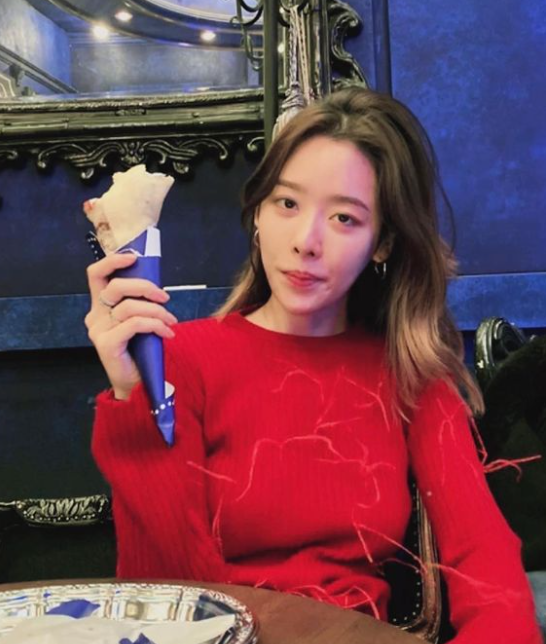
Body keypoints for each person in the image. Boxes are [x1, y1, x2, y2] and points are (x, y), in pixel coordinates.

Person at [85, 87, 541, 643]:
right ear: (257, 214)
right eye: (287, 204)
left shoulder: (412, 375)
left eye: (346, 217)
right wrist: (135, 397)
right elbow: (164, 602)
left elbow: (487, 568)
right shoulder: (180, 360)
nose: (306, 241)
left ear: (383, 243)